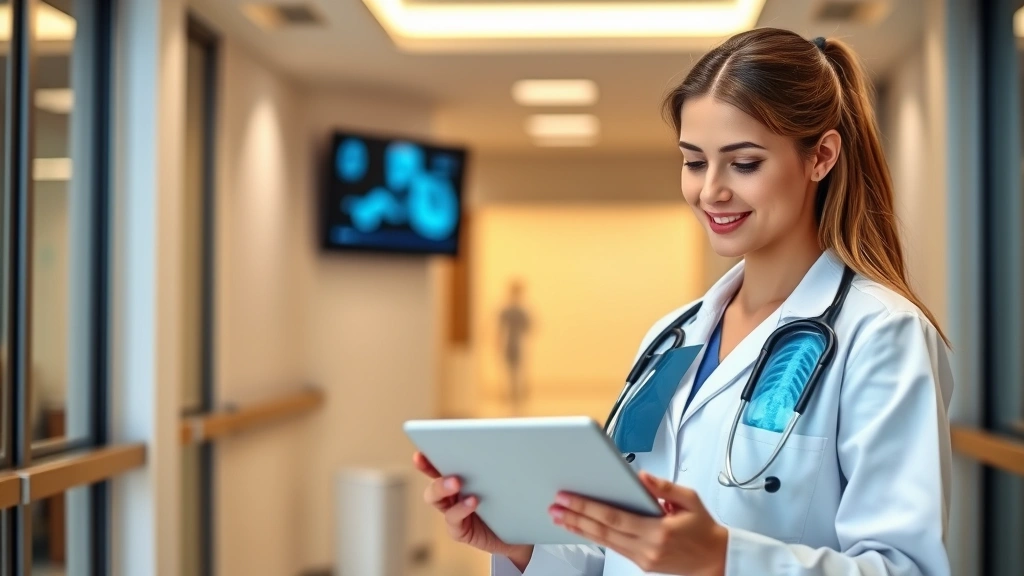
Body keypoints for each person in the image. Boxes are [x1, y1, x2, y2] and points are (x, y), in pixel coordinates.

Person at [413, 27, 953, 576]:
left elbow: (905, 568)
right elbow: (620, 550)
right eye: (694, 162)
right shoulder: (671, 338)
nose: (710, 191)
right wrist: (524, 545)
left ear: (821, 157)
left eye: (744, 163)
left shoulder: (881, 334)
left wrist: (724, 559)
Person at [499, 279, 531, 408]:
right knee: (510, 368)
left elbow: (528, 327)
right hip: (509, 342)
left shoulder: (521, 311)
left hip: (518, 342)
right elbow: (501, 327)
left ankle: (517, 392)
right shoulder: (507, 310)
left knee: (518, 368)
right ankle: (511, 392)